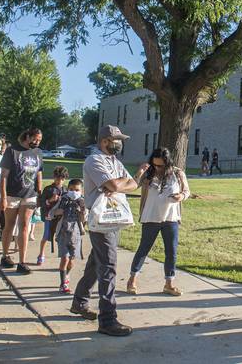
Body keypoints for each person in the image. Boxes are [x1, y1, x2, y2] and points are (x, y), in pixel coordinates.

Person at [71, 125, 141, 337]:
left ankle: (80, 302)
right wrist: (118, 184)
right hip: (101, 218)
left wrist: (118, 185)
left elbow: (134, 184)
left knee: (97, 261)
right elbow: (114, 184)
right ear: (104, 141)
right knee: (108, 265)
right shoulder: (94, 160)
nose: (119, 142)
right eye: (116, 139)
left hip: (114, 217)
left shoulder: (114, 162)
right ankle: (107, 319)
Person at [128, 147, 190, 297]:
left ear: (167, 163)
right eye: (155, 164)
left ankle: (169, 284)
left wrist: (181, 196)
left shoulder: (177, 173)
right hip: (150, 217)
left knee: (171, 252)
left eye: (161, 165)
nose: (157, 168)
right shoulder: (149, 173)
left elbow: (187, 191)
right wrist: (140, 172)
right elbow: (132, 185)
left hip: (171, 218)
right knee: (144, 249)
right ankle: (132, 280)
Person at [0, 128, 44, 274]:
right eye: (35, 139)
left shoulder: (38, 153)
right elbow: (4, 176)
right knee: (9, 225)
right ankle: (5, 255)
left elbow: (39, 172)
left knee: (25, 226)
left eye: (39, 140)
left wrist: (40, 191)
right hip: (12, 194)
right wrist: (4, 197)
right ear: (27, 137)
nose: (37, 142)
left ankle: (22, 262)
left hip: (30, 194)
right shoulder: (12, 151)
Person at [49, 178, 86, 294]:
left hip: (76, 234)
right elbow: (52, 213)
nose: (73, 192)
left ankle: (67, 275)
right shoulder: (63, 200)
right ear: (67, 189)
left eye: (76, 190)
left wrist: (81, 212)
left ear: (81, 191)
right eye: (71, 189)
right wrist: (60, 211)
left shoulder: (82, 202)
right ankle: (63, 283)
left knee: (72, 260)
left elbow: (85, 219)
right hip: (63, 233)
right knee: (64, 258)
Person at [37, 166, 69, 265]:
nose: (60, 180)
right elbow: (41, 203)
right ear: (54, 177)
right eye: (58, 178)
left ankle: (65, 257)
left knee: (63, 237)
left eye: (62, 178)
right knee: (46, 236)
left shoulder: (66, 190)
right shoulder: (48, 189)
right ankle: (41, 254)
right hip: (49, 217)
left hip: (61, 218)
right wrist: (50, 200)